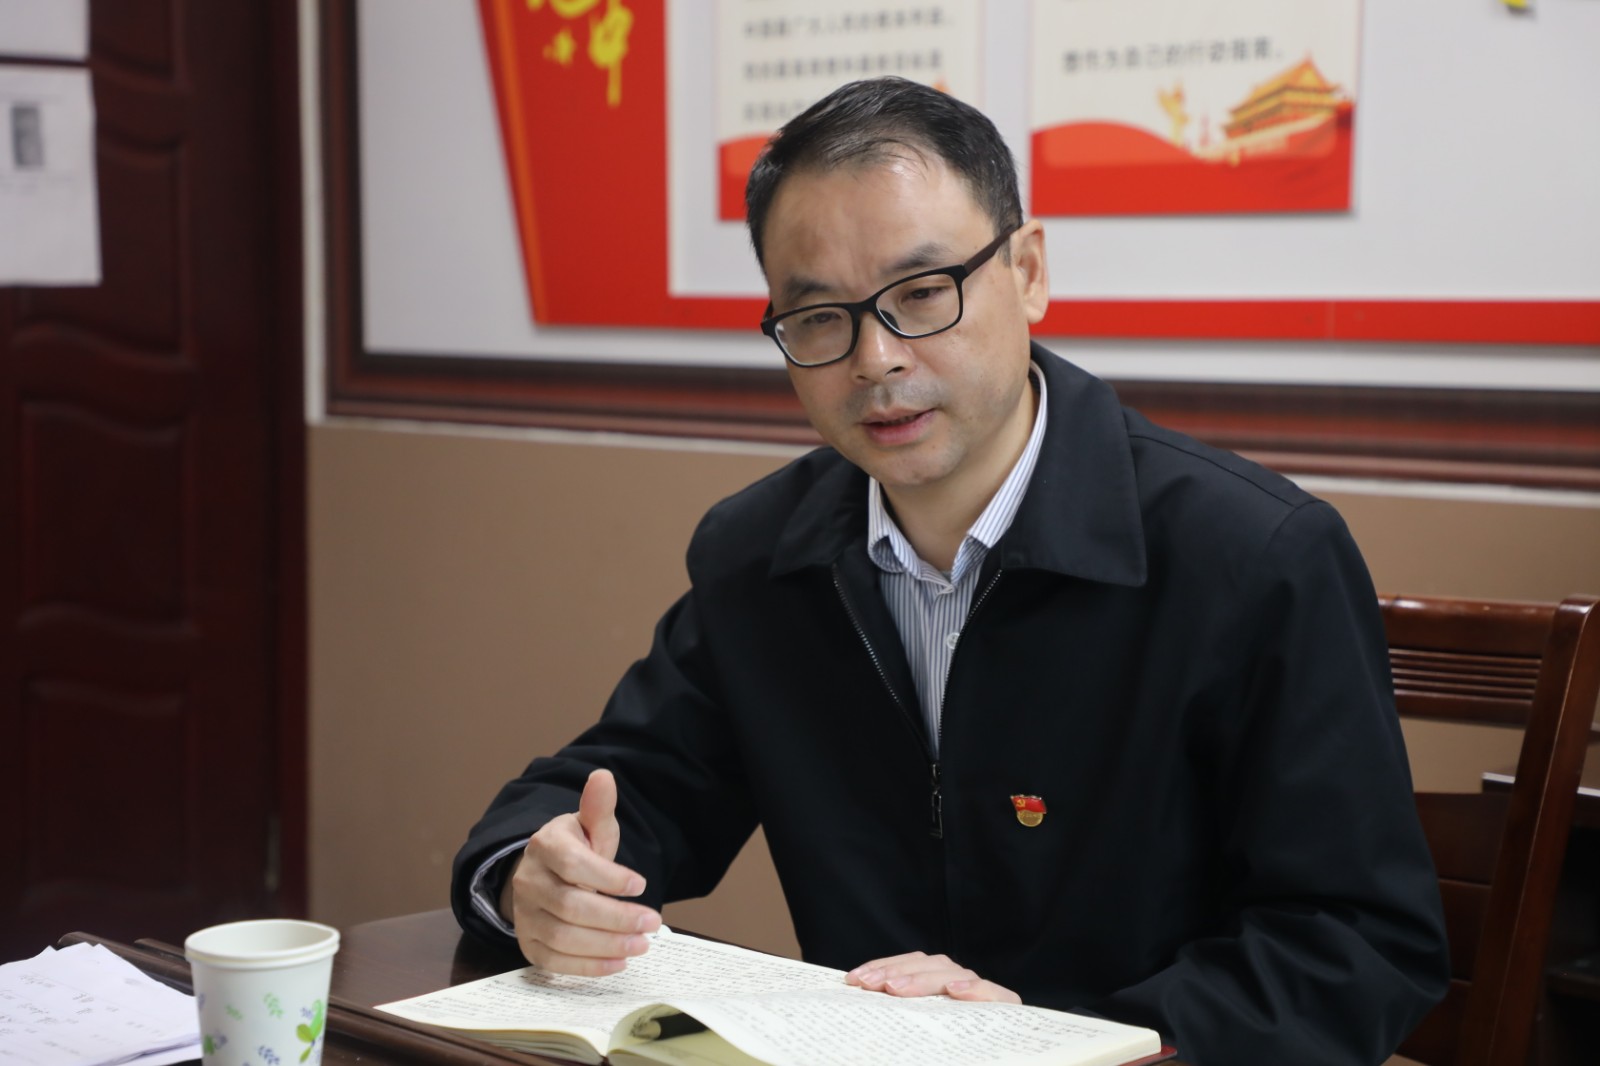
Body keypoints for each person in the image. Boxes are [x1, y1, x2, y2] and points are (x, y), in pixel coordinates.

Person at [452, 77, 1449, 1064]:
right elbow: (628, 787)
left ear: (1028, 270)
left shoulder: (1252, 556)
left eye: (922, 294)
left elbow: (1355, 944)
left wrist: (1058, 1041)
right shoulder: (759, 557)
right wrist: (536, 878)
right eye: (819, 316)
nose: (876, 359)